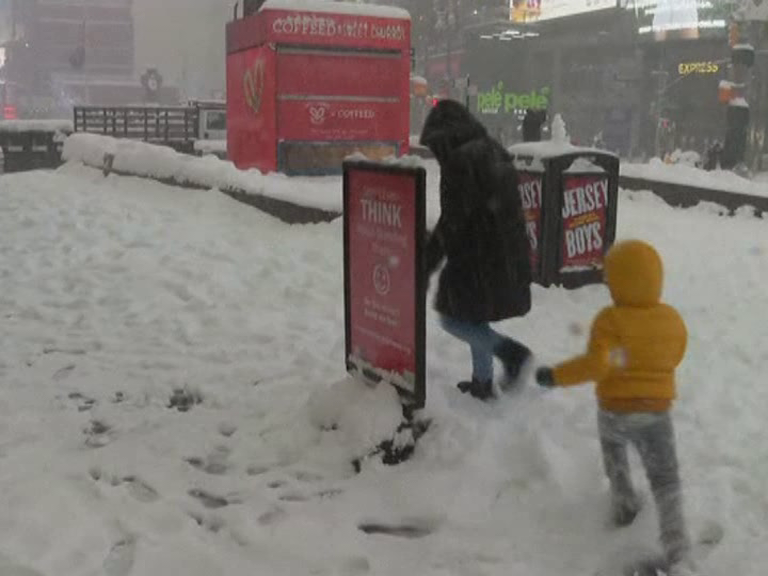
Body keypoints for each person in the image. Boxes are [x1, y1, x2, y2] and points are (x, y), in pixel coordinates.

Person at [536, 240, 693, 574]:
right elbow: (675, 355)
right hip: (656, 413)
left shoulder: (610, 320)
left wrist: (556, 376)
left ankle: (624, 505)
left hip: (616, 412)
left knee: (616, 460)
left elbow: (599, 364)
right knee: (666, 479)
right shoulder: (671, 320)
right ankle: (678, 548)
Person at [420, 99, 532, 401]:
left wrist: (426, 262)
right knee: (473, 316)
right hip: (501, 251)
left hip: (478, 254)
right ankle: (482, 383)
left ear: (445, 137)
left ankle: (512, 354)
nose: (436, 154)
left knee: (453, 318)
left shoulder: (460, 161)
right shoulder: (490, 148)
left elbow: (453, 220)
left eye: (435, 146)